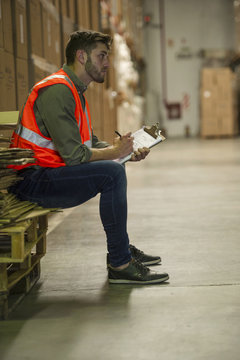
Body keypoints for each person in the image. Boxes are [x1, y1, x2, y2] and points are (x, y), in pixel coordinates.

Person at [9, 30, 169, 285]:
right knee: (112, 173)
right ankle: (120, 262)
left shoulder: (74, 90)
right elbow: (74, 156)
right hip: (33, 181)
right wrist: (115, 154)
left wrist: (125, 152)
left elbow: (89, 143)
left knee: (114, 167)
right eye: (102, 56)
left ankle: (122, 250)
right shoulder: (58, 90)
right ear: (82, 56)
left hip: (48, 175)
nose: (107, 63)